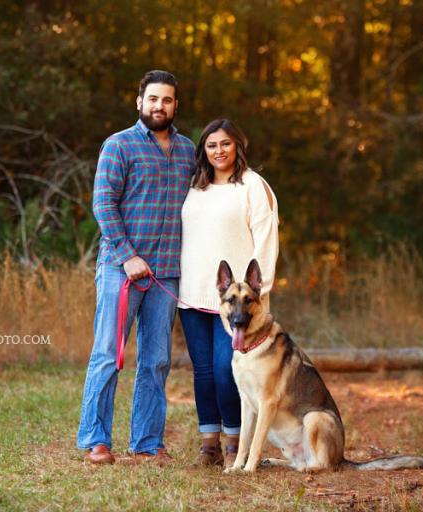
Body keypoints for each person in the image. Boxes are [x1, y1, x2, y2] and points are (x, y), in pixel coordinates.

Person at [77, 70, 195, 465]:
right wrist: (128, 255)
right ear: (139, 101)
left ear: (176, 105)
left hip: (166, 274)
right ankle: (96, 440)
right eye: (152, 99)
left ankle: (146, 441)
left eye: (166, 100)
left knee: (157, 359)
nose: (159, 106)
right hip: (120, 269)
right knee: (108, 354)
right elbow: (104, 205)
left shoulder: (188, 151)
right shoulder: (119, 146)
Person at [178, 118, 279, 468]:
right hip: (192, 291)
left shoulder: (253, 186)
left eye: (225, 144)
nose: (218, 151)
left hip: (237, 301)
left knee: (226, 369)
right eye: (211, 145)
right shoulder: (195, 186)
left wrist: (259, 293)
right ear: (203, 150)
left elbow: (266, 241)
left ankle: (236, 443)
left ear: (237, 145)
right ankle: (209, 444)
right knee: (203, 370)